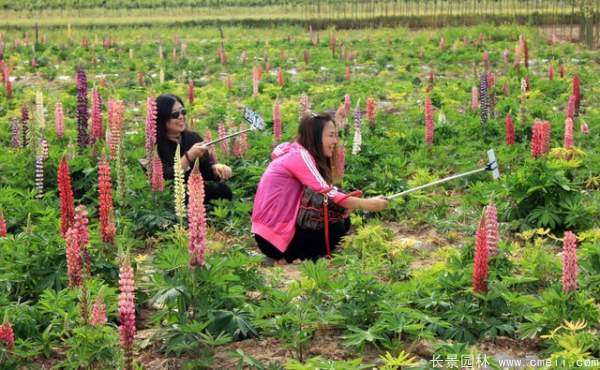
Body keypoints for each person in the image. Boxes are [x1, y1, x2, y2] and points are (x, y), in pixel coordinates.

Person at [251, 111, 387, 263]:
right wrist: (368, 204)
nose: (336, 141)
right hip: (275, 239)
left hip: (266, 235)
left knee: (342, 218)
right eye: (331, 135)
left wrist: (347, 204)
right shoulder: (299, 156)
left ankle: (291, 255)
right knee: (337, 228)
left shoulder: (293, 151)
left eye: (336, 135)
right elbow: (328, 192)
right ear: (315, 136)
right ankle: (289, 257)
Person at [155, 93, 233, 204]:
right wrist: (189, 156)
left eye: (183, 112)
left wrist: (217, 169)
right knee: (185, 200)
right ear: (162, 118)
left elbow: (206, 171)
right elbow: (166, 179)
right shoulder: (155, 147)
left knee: (223, 191)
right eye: (175, 114)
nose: (181, 116)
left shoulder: (192, 137)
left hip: (196, 191)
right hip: (173, 198)